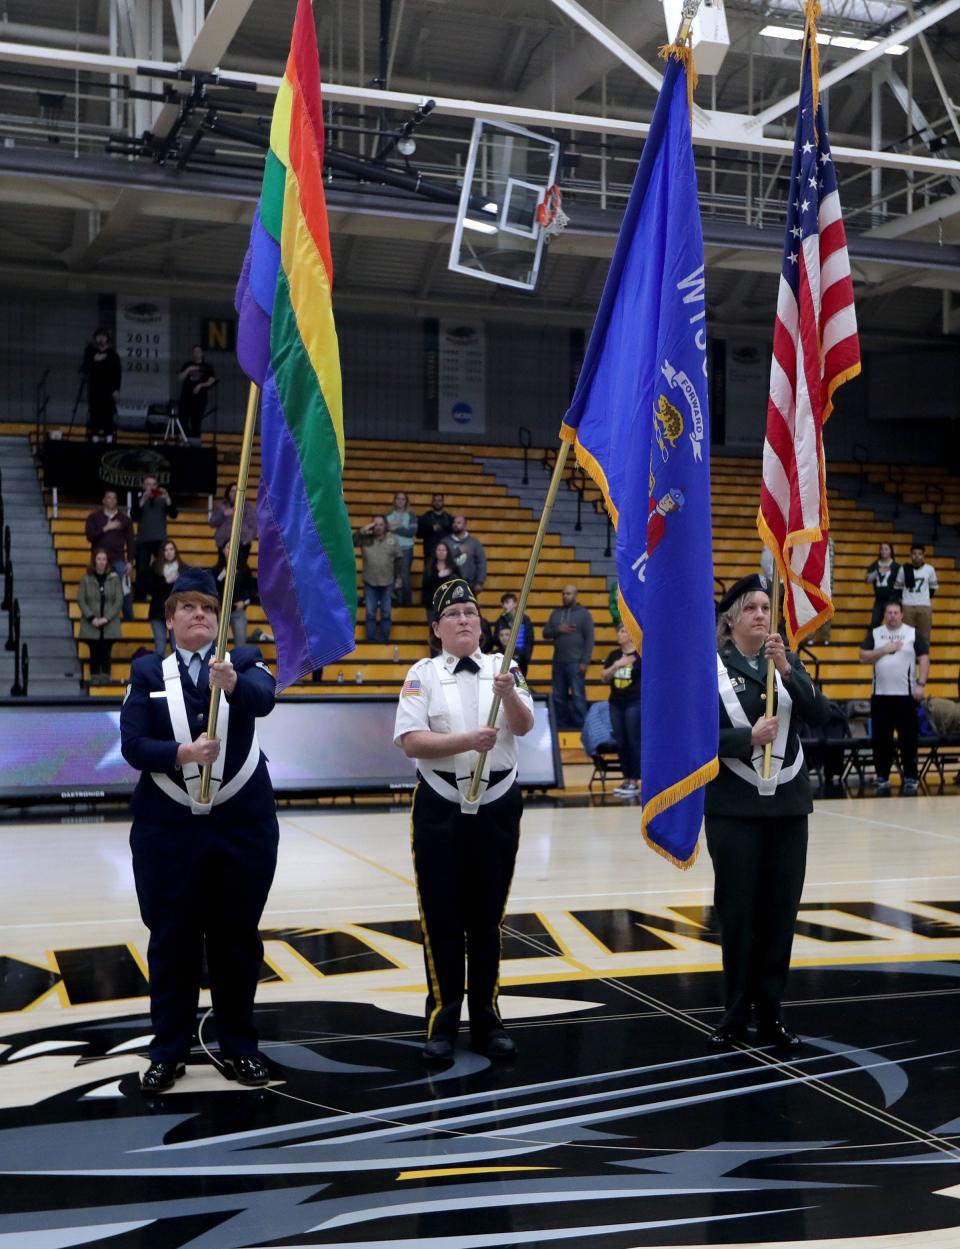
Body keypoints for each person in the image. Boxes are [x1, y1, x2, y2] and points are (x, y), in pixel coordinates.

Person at [119, 568, 278, 1093]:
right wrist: (182, 754)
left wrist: (232, 683)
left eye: (209, 608)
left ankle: (239, 1045)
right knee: (172, 942)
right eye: (188, 607)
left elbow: (263, 698)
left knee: (236, 940)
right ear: (170, 620)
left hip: (241, 827)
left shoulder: (246, 661)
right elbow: (134, 746)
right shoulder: (146, 672)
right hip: (168, 831)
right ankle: (168, 1050)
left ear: (220, 619)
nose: (200, 615)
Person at [394, 578, 534, 1062]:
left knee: (488, 917)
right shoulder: (422, 673)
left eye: (471, 613)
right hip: (439, 805)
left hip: (497, 804)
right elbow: (411, 741)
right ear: (437, 628)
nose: (464, 620)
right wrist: (466, 742)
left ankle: (488, 1021)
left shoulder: (505, 667)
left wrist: (510, 695)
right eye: (453, 614)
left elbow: (524, 726)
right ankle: (441, 1021)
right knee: (441, 916)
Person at [706, 573, 830, 1053]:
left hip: (787, 806)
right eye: (753, 608)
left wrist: (789, 668)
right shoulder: (710, 668)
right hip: (733, 807)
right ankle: (735, 1014)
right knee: (739, 914)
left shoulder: (787, 663)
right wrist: (745, 739)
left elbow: (822, 716)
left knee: (781, 914)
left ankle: (772, 1015)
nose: (762, 614)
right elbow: (690, 740)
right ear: (733, 619)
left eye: (766, 607)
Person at [859, 599, 930, 795]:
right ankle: (882, 777)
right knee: (882, 739)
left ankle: (910, 777)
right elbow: (863, 656)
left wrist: (921, 684)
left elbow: (924, 658)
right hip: (881, 695)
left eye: (895, 613)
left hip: (905, 696)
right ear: (885, 615)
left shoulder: (912, 633)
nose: (892, 616)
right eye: (889, 613)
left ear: (901, 614)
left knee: (908, 739)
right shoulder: (876, 633)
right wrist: (884, 650)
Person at [543, 584, 594, 730]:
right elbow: (545, 633)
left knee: (578, 696)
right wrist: (558, 629)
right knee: (559, 696)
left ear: (576, 595)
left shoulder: (584, 614)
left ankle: (584, 727)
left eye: (569, 594)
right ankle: (561, 725)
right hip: (558, 661)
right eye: (564, 593)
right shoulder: (556, 613)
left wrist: (585, 661)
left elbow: (590, 639)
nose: (566, 596)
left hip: (576, 662)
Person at [601, 625, 641, 799]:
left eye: (623, 631)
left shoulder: (640, 656)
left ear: (631, 635)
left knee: (633, 741)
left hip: (634, 702)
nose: (619, 634)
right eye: (619, 631)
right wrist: (617, 665)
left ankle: (635, 780)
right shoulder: (614, 656)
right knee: (621, 742)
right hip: (616, 703)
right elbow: (604, 677)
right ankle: (626, 779)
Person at [85, 489, 134, 621]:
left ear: (117, 501)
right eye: (108, 497)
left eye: (114, 498)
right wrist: (106, 528)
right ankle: (100, 618)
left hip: (118, 559)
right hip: (99, 561)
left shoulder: (125, 519)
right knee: (99, 591)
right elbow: (90, 537)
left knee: (123, 589)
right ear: (103, 500)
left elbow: (130, 541)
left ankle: (129, 619)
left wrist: (130, 561)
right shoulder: (94, 517)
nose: (111, 500)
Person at [77, 548, 123, 683]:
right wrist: (92, 617)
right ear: (94, 561)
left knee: (106, 652)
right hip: (91, 623)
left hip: (109, 623)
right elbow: (81, 600)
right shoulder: (85, 579)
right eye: (99, 559)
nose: (102, 562)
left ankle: (106, 678)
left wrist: (106, 618)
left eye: (104, 559)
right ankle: (94, 678)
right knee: (94, 651)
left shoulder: (114, 579)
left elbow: (118, 600)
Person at [355, 515, 402, 643]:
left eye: (381, 524)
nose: (378, 527)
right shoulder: (365, 539)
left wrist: (398, 578)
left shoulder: (393, 539)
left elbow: (399, 560)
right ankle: (370, 640)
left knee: (386, 613)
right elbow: (352, 541)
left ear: (385, 526)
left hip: (388, 582)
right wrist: (364, 529)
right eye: (375, 524)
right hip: (370, 582)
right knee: (370, 613)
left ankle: (384, 640)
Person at [133, 475, 178, 598]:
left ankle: (163, 595)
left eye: (153, 484)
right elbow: (134, 516)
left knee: (163, 568)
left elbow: (174, 514)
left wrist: (168, 498)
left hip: (160, 541)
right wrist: (143, 499)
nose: (151, 487)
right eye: (147, 484)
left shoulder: (163, 499)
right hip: (143, 541)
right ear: (143, 486)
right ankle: (140, 598)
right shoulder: (139, 498)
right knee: (141, 570)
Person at [146, 539, 188, 654]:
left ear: (175, 551)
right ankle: (160, 672)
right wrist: (166, 581)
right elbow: (149, 589)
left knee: (177, 649)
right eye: (165, 550)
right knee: (160, 648)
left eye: (171, 549)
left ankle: (178, 672)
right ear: (161, 552)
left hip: (177, 613)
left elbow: (189, 591)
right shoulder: (154, 568)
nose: (169, 552)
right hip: (158, 612)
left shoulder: (184, 569)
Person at [80, 327, 121, 441]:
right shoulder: (91, 353)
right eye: (98, 336)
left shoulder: (113, 355)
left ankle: (108, 436)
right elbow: (84, 368)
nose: (100, 339)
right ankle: (94, 435)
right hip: (94, 389)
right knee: (94, 413)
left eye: (103, 336)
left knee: (108, 413)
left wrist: (116, 389)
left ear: (107, 338)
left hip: (108, 390)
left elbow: (117, 373)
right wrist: (93, 359)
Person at [213, 540, 257, 648]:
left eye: (233, 547)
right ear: (222, 551)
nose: (230, 550)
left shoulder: (244, 569)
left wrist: (245, 602)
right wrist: (221, 576)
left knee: (241, 642)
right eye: (228, 547)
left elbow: (252, 590)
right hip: (221, 612)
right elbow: (212, 588)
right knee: (217, 644)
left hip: (238, 611)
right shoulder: (217, 570)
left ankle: (239, 664)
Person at [895, 543, 938, 646]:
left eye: (919, 554)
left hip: (924, 606)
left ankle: (923, 658)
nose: (917, 556)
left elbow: (933, 588)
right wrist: (906, 600)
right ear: (910, 555)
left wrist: (923, 598)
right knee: (906, 635)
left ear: (923, 555)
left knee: (924, 635)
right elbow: (898, 588)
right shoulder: (904, 569)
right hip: (907, 606)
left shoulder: (930, 569)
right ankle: (907, 658)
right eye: (914, 554)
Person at [209, 483, 258, 568]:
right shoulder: (221, 506)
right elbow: (212, 523)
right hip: (224, 544)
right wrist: (223, 514)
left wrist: (246, 540)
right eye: (232, 491)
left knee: (239, 568)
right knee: (223, 568)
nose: (235, 493)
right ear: (228, 493)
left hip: (242, 544)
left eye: (237, 491)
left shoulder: (248, 507)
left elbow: (254, 526)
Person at [177, 345, 218, 438]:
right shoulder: (187, 365)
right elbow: (179, 378)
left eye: (198, 352)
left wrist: (200, 385)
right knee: (182, 419)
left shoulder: (207, 367)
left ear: (202, 354)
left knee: (196, 421)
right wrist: (188, 370)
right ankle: (186, 439)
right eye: (194, 352)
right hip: (186, 398)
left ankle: (195, 442)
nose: (196, 354)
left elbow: (212, 381)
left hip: (199, 399)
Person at [386, 491, 417, 607]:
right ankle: (394, 603)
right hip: (390, 549)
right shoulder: (388, 516)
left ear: (406, 501)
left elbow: (411, 532)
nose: (400, 501)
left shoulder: (411, 516)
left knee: (404, 576)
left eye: (403, 499)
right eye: (398, 498)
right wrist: (399, 526)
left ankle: (407, 605)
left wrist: (393, 527)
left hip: (406, 549)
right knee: (391, 576)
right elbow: (383, 530)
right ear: (394, 501)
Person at [495, 592, 535, 676]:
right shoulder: (500, 620)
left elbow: (529, 640)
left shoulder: (525, 620)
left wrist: (526, 658)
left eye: (507, 602)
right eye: (503, 603)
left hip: (521, 660)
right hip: (504, 660)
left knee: (520, 686)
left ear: (515, 604)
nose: (504, 606)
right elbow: (497, 639)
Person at [865, 541, 901, 629]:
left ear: (891, 551)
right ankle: (872, 642)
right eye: (882, 549)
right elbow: (867, 580)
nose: (884, 551)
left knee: (893, 624)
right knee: (875, 623)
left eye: (886, 549)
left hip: (893, 599)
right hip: (879, 599)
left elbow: (901, 584)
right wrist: (877, 571)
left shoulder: (896, 566)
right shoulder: (875, 565)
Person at [449, 514, 487, 595]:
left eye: (459, 523)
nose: (455, 525)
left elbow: (481, 563)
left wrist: (479, 582)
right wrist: (457, 550)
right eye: (454, 523)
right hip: (449, 585)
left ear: (465, 525)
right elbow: (440, 560)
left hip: (470, 585)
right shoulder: (446, 542)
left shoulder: (474, 543)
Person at [421, 539, 457, 620]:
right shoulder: (430, 567)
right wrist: (438, 576)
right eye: (439, 550)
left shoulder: (453, 568)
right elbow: (426, 584)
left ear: (447, 552)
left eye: (443, 550)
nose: (441, 552)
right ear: (435, 552)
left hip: (449, 603)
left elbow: (458, 583)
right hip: (432, 604)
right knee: (433, 628)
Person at [417, 493, 454, 562]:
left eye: (439, 500)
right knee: (429, 572)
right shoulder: (425, 517)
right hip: (430, 553)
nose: (437, 503)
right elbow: (418, 534)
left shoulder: (450, 518)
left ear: (443, 502)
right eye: (435, 500)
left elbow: (454, 534)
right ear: (432, 502)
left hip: (446, 553)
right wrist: (431, 529)